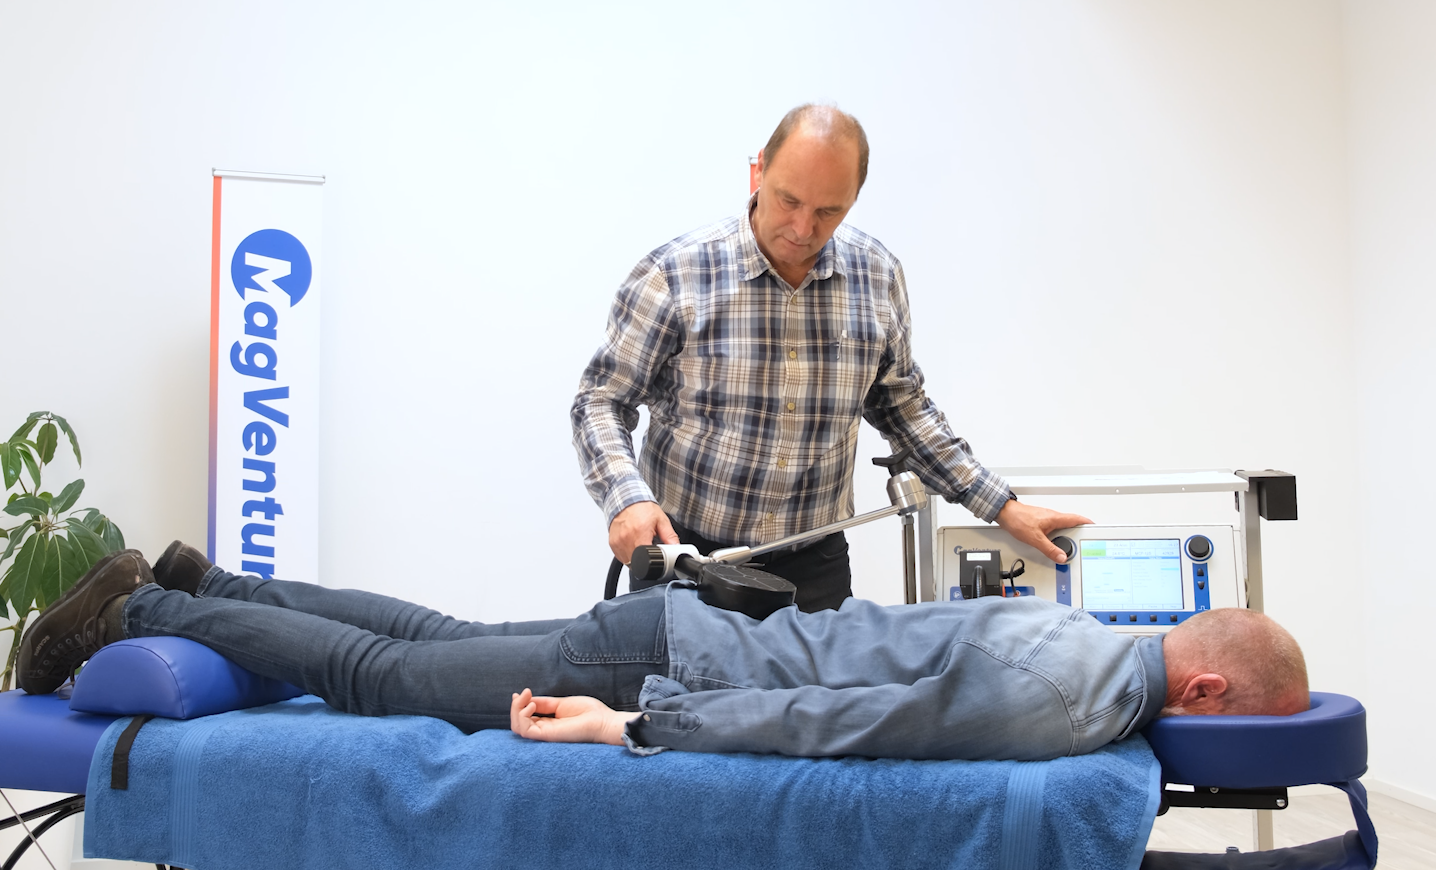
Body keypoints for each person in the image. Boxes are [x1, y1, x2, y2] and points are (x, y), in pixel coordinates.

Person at [19, 545, 1309, 762]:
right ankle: (141, 614)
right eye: (1229, 731)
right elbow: (841, 727)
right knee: (380, 680)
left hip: (679, 626)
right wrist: (634, 730)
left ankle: (214, 583)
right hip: (660, 671)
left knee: (429, 640)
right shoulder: (1069, 704)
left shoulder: (1072, 624)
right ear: (1200, 689)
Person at [572, 104, 1090, 611]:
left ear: (853, 199)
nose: (802, 228)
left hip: (814, 571)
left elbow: (903, 410)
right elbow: (601, 399)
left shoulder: (877, 277)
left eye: (828, 212)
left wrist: (1002, 506)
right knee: (676, 700)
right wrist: (626, 498)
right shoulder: (676, 274)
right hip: (688, 561)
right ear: (758, 171)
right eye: (788, 200)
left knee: (819, 701)